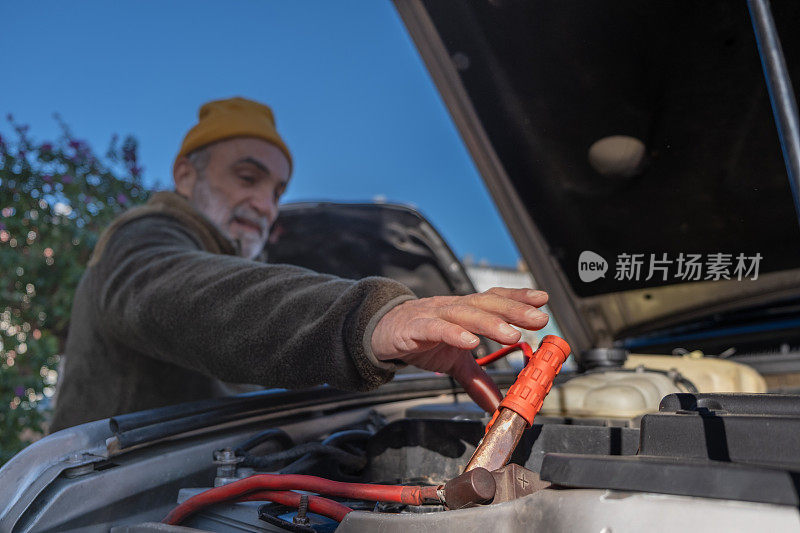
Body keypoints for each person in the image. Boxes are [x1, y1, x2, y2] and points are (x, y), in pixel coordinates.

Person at [49, 97, 549, 432]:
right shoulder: (141, 239)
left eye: (276, 190)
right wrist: (371, 319)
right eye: (247, 177)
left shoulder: (232, 259)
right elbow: (194, 296)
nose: (264, 204)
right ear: (185, 175)